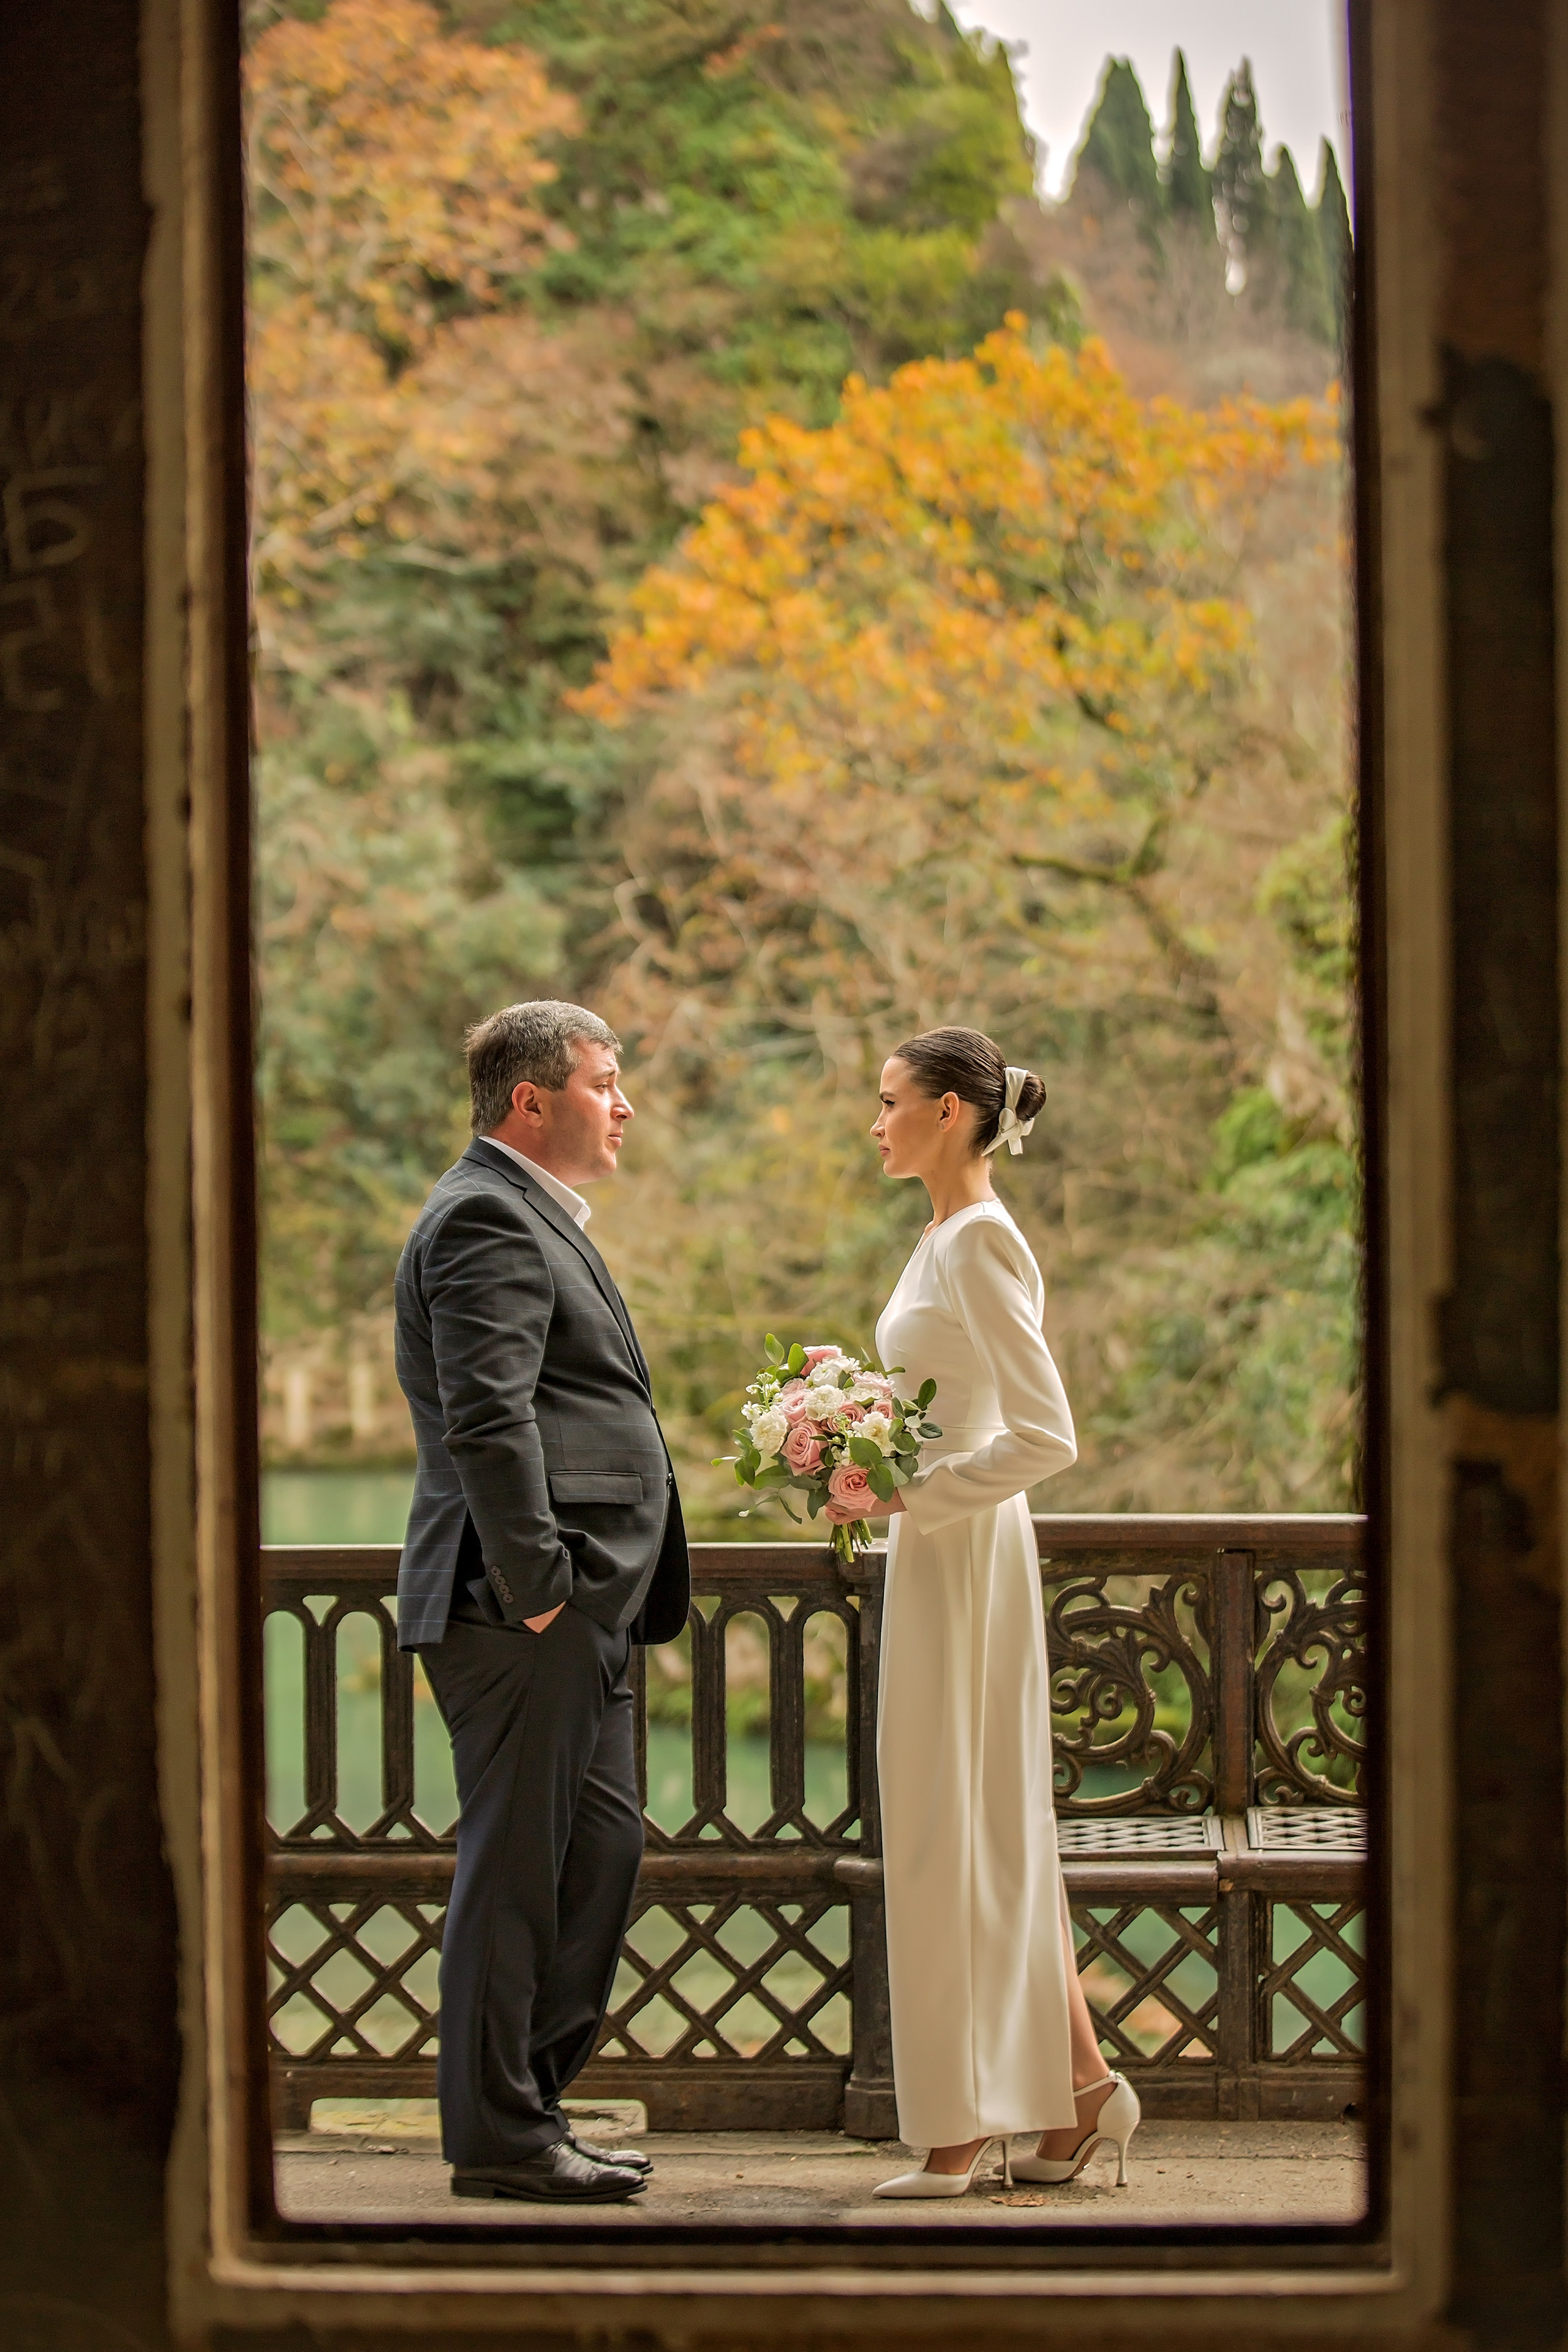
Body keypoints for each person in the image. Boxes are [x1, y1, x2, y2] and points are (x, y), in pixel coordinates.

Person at [832, 1027, 1141, 2198]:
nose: (875, 1120)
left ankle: (961, 2135)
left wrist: (918, 1491)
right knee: (972, 1828)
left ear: (952, 1111)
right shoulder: (939, 1240)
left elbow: (1046, 1433)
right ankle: (1075, 2101)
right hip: (936, 1550)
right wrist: (854, 1443)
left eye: (890, 1100)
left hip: (963, 1552)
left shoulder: (980, 1244)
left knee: (953, 1833)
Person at [393, 1000, 689, 2205]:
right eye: (604, 1082)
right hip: (520, 1606)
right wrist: (537, 1592)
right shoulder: (481, 1218)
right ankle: (500, 2141)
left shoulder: (529, 1213)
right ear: (533, 1101)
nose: (622, 1104)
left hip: (586, 1606)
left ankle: (532, 2107)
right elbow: (486, 1416)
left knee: (596, 1857)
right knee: (517, 1872)